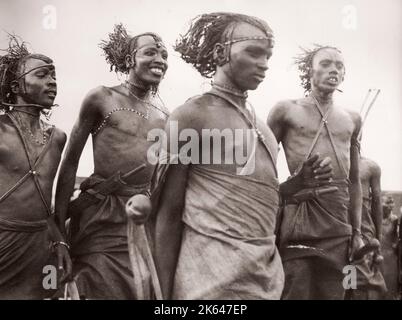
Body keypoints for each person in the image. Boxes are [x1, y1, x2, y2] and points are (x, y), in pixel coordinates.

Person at [153, 12, 332, 300]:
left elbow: (248, 201)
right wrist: (161, 296)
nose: (263, 64)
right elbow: (168, 214)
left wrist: (293, 187)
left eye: (268, 57)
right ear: (220, 52)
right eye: (254, 53)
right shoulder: (190, 116)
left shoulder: (263, 127)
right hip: (207, 282)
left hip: (263, 278)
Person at [55, 24, 169, 299]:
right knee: (97, 284)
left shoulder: (164, 115)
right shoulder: (102, 98)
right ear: (130, 60)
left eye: (164, 55)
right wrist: (58, 233)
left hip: (140, 219)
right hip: (101, 215)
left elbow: (157, 178)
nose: (160, 61)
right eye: (150, 53)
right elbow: (69, 164)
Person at [267, 45, 364, 299]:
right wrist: (287, 190)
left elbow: (354, 181)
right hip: (300, 219)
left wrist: (357, 233)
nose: (333, 69)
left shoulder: (352, 118)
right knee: (295, 288)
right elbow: (260, 167)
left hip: (338, 222)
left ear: (344, 75)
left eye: (339, 66)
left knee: (334, 291)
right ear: (308, 69)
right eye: (325, 63)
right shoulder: (286, 110)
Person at [0, 34, 71, 299]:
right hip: (4, 240)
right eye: (41, 75)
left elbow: (45, 203)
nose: (52, 82)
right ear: (16, 86)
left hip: (40, 245)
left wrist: (61, 241)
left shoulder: (58, 137)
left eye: (53, 77)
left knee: (45, 294)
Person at [346, 157, 386, 299]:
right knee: (344, 268)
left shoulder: (371, 166)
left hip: (363, 224)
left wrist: (379, 236)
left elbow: (377, 201)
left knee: (363, 271)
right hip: (337, 218)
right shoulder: (333, 160)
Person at [381, 195, 399, 299]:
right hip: (378, 254)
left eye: (392, 202)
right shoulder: (374, 216)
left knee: (391, 284)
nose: (391, 205)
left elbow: (397, 237)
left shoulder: (395, 219)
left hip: (391, 256)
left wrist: (395, 245)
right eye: (387, 202)